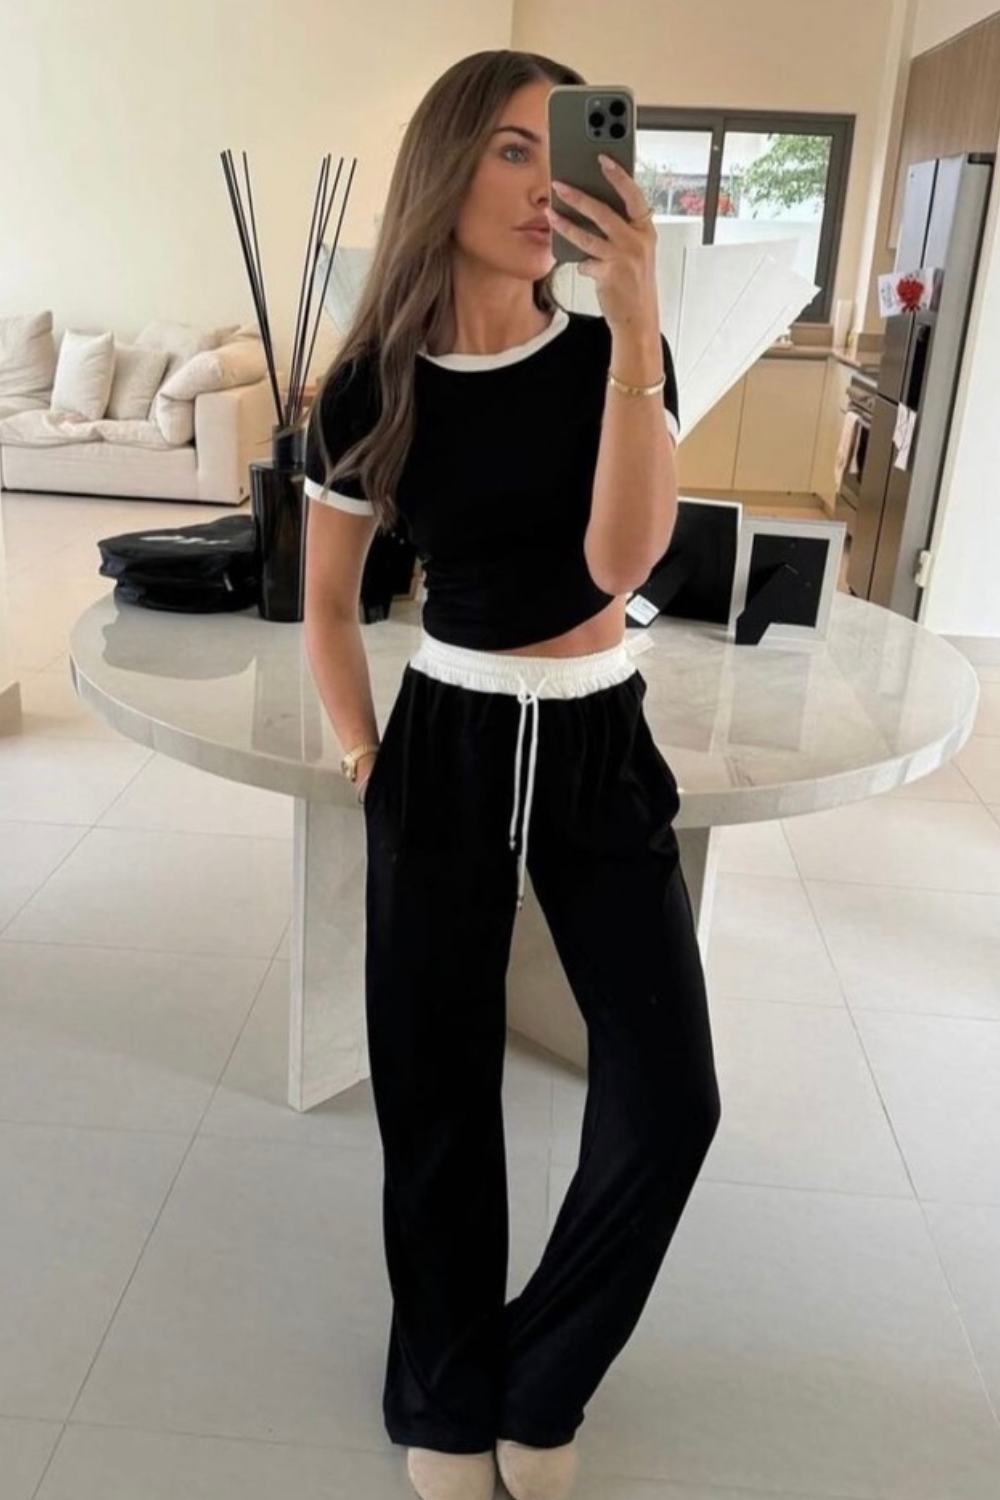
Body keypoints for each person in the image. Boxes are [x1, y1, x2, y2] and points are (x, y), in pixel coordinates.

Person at [303, 49, 721, 1500]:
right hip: (449, 739)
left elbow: (619, 564)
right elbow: (327, 603)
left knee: (670, 1098)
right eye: (511, 150)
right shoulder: (368, 385)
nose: (550, 187)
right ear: (444, 170)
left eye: (569, 150)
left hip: (601, 737)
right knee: (433, 1098)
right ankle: (442, 1393)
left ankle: (539, 1380)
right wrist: (366, 755)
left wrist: (638, 321)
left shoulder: (611, 357)